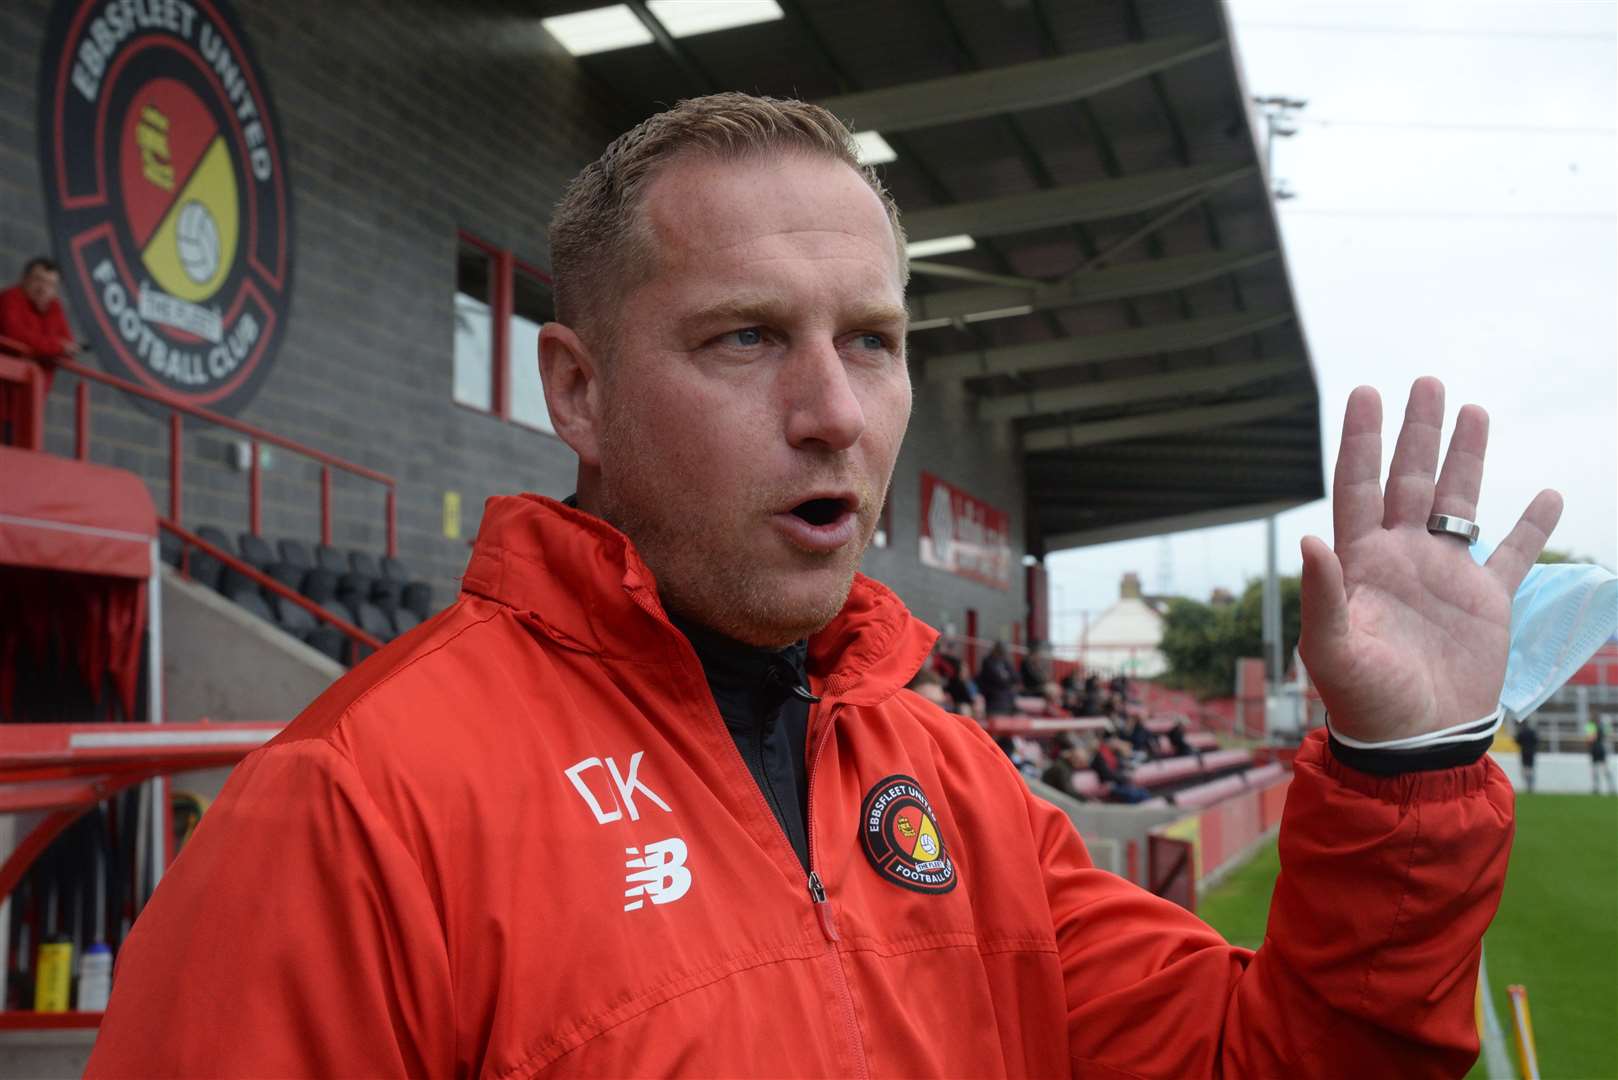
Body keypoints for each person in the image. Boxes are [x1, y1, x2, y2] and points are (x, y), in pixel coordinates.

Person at [89, 93, 1566, 1078]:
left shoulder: (956, 787)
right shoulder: (354, 808)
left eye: (870, 339)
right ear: (578, 390)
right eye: (744, 338)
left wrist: (1400, 769)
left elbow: (1290, 1060)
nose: (832, 412)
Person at [0, 257, 79, 445]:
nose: (43, 288)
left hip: (29, 406)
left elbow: (69, 347)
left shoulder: (55, 308)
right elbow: (14, 335)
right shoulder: (10, 298)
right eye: (38, 280)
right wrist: (55, 346)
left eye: (51, 284)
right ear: (24, 279)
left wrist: (51, 347)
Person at [977, 639, 1018, 719]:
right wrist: (1006, 678)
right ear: (995, 649)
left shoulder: (1004, 661)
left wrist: (1005, 677)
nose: (1002, 654)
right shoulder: (988, 661)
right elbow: (998, 679)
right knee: (1003, 695)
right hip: (992, 696)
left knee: (1011, 695)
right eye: (1000, 651)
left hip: (1006, 695)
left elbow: (1016, 677)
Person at [1591, 716, 1614, 795]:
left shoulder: (1592, 727)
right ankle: (1611, 788)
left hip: (1596, 749)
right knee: (1603, 769)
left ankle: (1597, 788)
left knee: (1596, 769)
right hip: (1601, 749)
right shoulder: (1602, 727)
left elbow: (1591, 738)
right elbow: (1609, 734)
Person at [1516, 717, 1538, 793]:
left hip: (1524, 752)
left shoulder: (1521, 732)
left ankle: (1527, 784)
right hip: (1531, 752)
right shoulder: (1532, 732)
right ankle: (1530, 785)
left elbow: (1517, 741)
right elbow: (1536, 741)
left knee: (1525, 768)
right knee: (1531, 768)